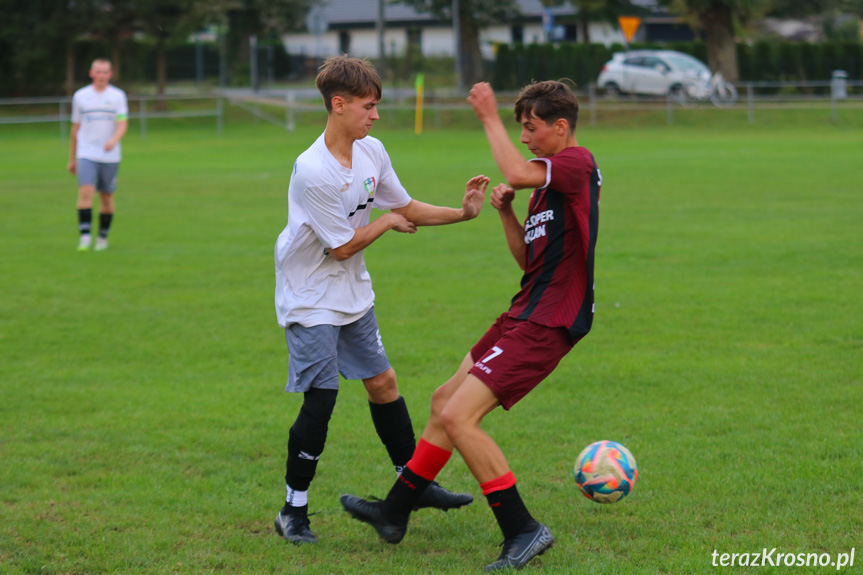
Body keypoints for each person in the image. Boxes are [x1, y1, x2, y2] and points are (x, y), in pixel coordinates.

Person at [340, 79, 602, 571]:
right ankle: (394, 512)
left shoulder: (576, 163)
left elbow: (515, 169)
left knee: (461, 417)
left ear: (560, 127)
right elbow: (529, 260)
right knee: (444, 401)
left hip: (549, 322)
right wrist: (505, 214)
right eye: (519, 128)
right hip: (522, 312)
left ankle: (524, 529)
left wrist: (487, 114)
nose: (525, 137)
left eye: (531, 128)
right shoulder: (548, 190)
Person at [273, 56, 489, 545]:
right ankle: (293, 510)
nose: (375, 116)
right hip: (309, 292)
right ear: (338, 104)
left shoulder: (372, 151)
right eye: (368, 107)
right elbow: (341, 245)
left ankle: (414, 485)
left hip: (350, 288)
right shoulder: (313, 170)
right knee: (322, 399)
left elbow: (405, 207)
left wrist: (462, 213)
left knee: (383, 382)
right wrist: (387, 223)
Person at [67, 58, 128, 251]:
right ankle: (85, 237)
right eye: (98, 72)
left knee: (106, 198)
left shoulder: (118, 96)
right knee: (86, 191)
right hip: (86, 153)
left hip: (110, 155)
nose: (101, 75)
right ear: (91, 73)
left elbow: (122, 123)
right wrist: (72, 158)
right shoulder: (81, 96)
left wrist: (114, 140)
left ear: (110, 74)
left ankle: (102, 237)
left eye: (105, 72)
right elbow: (75, 128)